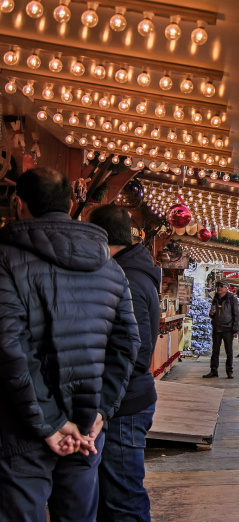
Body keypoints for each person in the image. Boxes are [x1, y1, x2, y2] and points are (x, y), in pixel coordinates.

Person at [0, 168, 140, 522]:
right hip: (86, 423)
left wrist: (48, 423)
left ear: (19, 203)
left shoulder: (5, 258)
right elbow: (127, 343)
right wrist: (101, 411)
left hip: (22, 426)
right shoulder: (111, 268)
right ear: (71, 203)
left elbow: (11, 348)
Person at [89, 204, 162, 521]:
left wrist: (103, 407)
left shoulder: (127, 279)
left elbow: (135, 353)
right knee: (116, 495)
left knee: (123, 500)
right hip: (127, 399)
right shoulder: (134, 271)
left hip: (124, 404)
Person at [203, 282, 239, 379]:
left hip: (227, 328)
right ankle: (213, 371)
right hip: (217, 327)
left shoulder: (231, 299)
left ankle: (229, 371)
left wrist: (235, 329)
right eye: (218, 286)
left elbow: (236, 314)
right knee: (215, 350)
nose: (219, 288)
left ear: (226, 288)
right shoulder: (215, 298)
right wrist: (211, 314)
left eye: (221, 286)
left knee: (229, 351)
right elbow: (212, 313)